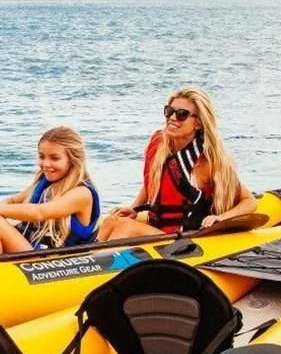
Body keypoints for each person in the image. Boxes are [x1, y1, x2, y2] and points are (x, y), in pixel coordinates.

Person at [98, 86, 256, 240]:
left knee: (125, 227)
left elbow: (249, 201)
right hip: (156, 228)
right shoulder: (158, 143)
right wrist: (134, 208)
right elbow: (153, 182)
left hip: (182, 238)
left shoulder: (206, 162)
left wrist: (221, 218)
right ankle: (87, 261)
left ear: (198, 123)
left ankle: (105, 264)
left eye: (182, 114)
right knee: (112, 221)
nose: (172, 118)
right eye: (169, 111)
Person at [0, 126, 99, 256]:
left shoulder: (82, 193)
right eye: (42, 156)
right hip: (32, 249)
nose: (46, 164)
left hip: (53, 261)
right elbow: (13, 201)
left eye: (55, 158)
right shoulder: (44, 184)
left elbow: (39, 213)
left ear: (73, 160)